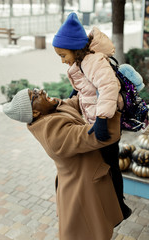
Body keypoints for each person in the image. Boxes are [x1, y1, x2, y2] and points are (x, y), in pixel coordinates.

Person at [3, 88, 124, 240]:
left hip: (85, 179)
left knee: (99, 229)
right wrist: (111, 105)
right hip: (82, 192)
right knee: (93, 233)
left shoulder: (52, 110)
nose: (40, 91)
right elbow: (97, 136)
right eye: (34, 95)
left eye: (34, 89)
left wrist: (89, 87)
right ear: (35, 113)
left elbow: (73, 103)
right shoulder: (53, 134)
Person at [52, 12, 132, 219]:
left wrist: (102, 119)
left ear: (75, 49)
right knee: (102, 163)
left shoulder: (91, 61)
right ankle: (106, 202)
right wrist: (75, 95)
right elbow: (89, 88)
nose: (62, 61)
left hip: (106, 121)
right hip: (96, 120)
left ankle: (120, 206)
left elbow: (107, 87)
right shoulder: (81, 63)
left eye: (63, 55)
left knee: (111, 163)